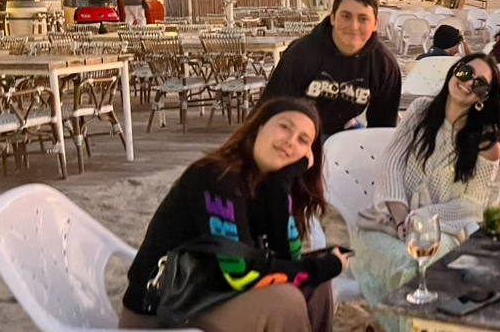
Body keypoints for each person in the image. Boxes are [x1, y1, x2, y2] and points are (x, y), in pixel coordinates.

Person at [119, 98, 345, 332]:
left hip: (211, 299)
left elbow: (290, 257)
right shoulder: (216, 177)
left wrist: (281, 185)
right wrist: (317, 268)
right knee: (285, 299)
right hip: (161, 315)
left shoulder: (270, 184)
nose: (290, 141)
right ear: (259, 126)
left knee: (316, 283)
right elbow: (240, 273)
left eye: (302, 139)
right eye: (284, 126)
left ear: (307, 155)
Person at [350, 54, 500, 332]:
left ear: (484, 97)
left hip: (440, 234)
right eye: (466, 73)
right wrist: (401, 219)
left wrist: (423, 219)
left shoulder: (485, 142)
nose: (469, 84)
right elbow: (391, 165)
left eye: (480, 85)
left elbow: (472, 204)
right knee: (406, 265)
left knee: (420, 269)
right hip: (385, 225)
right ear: (454, 72)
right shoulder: (420, 111)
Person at [261, 0, 401, 136]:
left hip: (346, 132)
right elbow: (271, 109)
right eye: (346, 16)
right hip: (298, 132)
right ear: (333, 18)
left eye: (363, 19)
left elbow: (382, 129)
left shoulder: (384, 65)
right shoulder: (302, 53)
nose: (354, 26)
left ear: (375, 24)